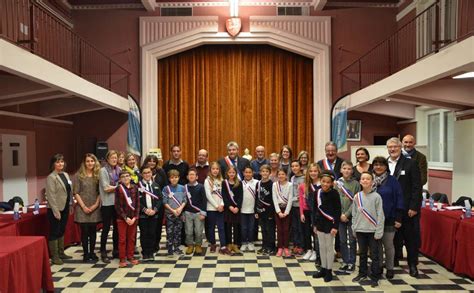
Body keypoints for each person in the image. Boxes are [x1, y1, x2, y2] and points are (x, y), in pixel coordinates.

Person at [387, 137, 422, 277]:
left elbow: (417, 187)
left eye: (395, 146)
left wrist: (414, 207)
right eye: (390, 147)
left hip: (408, 209)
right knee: (393, 237)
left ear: (400, 147)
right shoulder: (383, 163)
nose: (392, 149)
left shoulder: (411, 164)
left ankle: (413, 265)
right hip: (390, 209)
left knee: (410, 239)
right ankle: (393, 261)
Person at [371, 156, 404, 280]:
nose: (378, 167)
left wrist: (399, 218)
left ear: (386, 167)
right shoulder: (369, 180)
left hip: (389, 218)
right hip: (373, 219)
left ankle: (390, 268)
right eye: (376, 164)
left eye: (381, 164)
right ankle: (378, 266)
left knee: (388, 245)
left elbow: (400, 199)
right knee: (376, 245)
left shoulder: (393, 181)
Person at [351, 172, 385, 288]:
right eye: (363, 179)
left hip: (372, 231)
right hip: (360, 230)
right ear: (360, 181)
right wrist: (354, 228)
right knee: (362, 253)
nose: (365, 181)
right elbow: (354, 214)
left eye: (368, 179)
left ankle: (375, 277)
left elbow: (380, 215)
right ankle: (362, 273)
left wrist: (379, 231)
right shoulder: (357, 196)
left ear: (372, 182)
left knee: (374, 255)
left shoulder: (376, 197)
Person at [312, 171, 341, 282]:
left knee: (329, 248)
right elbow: (314, 209)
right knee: (321, 247)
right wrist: (314, 224)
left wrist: (335, 226)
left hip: (330, 224)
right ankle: (323, 268)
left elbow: (338, 211)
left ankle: (329, 270)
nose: (325, 184)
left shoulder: (334, 194)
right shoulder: (317, 192)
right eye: (323, 181)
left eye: (328, 182)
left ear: (332, 183)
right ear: (320, 181)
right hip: (320, 223)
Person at [73, 153, 102, 263]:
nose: (90, 163)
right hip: (82, 208)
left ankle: (92, 252)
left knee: (93, 232)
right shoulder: (78, 175)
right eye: (88, 161)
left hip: (95, 206)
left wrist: (95, 205)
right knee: (84, 232)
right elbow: (76, 192)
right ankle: (85, 254)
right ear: (84, 163)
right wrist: (84, 206)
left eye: (92, 161)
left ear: (95, 162)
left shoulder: (98, 175)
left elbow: (100, 192)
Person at [46, 154, 73, 265]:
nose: (60, 164)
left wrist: (71, 204)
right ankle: (55, 256)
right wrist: (56, 211)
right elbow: (51, 195)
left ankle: (61, 252)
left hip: (65, 206)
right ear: (53, 164)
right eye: (57, 162)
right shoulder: (51, 177)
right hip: (55, 209)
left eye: (61, 161)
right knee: (55, 231)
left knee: (62, 229)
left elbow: (69, 191)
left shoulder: (65, 175)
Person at [335, 161, 360, 273]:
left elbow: (356, 202)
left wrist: (347, 214)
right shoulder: (336, 184)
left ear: (352, 171)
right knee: (343, 240)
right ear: (341, 170)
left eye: (349, 169)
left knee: (352, 240)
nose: (347, 171)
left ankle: (352, 262)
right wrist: (340, 214)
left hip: (352, 216)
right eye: (344, 168)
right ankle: (345, 261)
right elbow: (334, 201)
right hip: (340, 217)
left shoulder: (356, 184)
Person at [142, 154, 167, 253]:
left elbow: (165, 186)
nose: (152, 163)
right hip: (145, 205)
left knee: (158, 226)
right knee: (146, 228)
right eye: (150, 161)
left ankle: (156, 243)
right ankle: (146, 247)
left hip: (158, 205)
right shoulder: (142, 172)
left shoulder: (161, 172)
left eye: (154, 161)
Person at [205, 162, 231, 255]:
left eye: (217, 169)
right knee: (211, 227)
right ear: (210, 170)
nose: (215, 170)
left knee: (221, 227)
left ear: (219, 170)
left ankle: (223, 246)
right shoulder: (207, 181)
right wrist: (216, 206)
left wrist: (222, 205)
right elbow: (208, 195)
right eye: (213, 169)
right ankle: (212, 243)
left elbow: (224, 194)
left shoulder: (222, 180)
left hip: (221, 208)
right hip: (211, 208)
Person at [115, 171, 140, 268]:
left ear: (130, 177)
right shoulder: (119, 189)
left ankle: (130, 256)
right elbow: (117, 206)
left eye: (127, 176)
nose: (125, 178)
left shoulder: (135, 188)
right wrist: (125, 218)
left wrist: (134, 217)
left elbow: (137, 203)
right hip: (122, 219)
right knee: (122, 239)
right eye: (123, 176)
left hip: (133, 218)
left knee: (132, 238)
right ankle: (122, 258)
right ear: (120, 179)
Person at [99, 150, 121, 263]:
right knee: (106, 228)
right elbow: (106, 188)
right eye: (112, 157)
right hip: (107, 203)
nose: (114, 159)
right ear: (107, 159)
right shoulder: (103, 171)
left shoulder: (119, 170)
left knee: (117, 228)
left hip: (117, 203)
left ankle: (116, 250)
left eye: (115, 157)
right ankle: (103, 251)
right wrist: (118, 185)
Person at [138, 166, 163, 262]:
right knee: (144, 233)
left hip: (154, 214)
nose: (147, 174)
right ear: (141, 174)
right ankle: (145, 252)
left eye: (149, 172)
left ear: (151, 173)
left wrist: (155, 210)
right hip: (143, 215)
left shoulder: (156, 185)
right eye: (145, 173)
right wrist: (144, 209)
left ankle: (151, 252)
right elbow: (137, 201)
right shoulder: (139, 186)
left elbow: (160, 199)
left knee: (152, 233)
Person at [299, 163, 321, 262]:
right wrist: (301, 213)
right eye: (311, 171)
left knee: (315, 232)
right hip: (306, 212)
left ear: (319, 172)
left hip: (317, 213)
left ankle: (316, 251)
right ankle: (309, 249)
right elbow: (301, 200)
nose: (313, 173)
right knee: (306, 232)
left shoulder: (321, 184)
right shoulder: (305, 185)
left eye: (315, 171)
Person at [163, 169, 187, 256]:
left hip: (179, 214)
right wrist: (173, 211)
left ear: (179, 178)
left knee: (178, 231)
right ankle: (170, 249)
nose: (174, 179)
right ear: (169, 178)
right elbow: (164, 202)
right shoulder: (166, 189)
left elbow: (185, 200)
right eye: (172, 178)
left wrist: (180, 208)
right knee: (170, 232)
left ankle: (177, 248)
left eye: (176, 177)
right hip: (170, 214)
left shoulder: (182, 188)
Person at [184, 168, 207, 255]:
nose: (191, 176)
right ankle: (190, 245)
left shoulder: (201, 187)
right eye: (190, 174)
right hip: (187, 213)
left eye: (193, 174)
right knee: (188, 231)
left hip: (198, 213)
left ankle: (198, 245)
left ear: (196, 177)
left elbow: (204, 200)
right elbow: (183, 201)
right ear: (187, 177)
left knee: (198, 231)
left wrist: (203, 213)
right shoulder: (185, 187)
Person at [222, 166, 243, 254]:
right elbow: (224, 196)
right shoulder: (224, 183)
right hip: (228, 209)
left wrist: (237, 207)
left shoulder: (239, 183)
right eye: (230, 172)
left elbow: (241, 196)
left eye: (233, 173)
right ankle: (229, 244)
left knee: (237, 227)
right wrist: (230, 207)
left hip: (237, 209)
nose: (231, 174)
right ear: (227, 173)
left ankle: (236, 244)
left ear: (236, 173)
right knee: (228, 226)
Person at [255, 164, 276, 255]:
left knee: (270, 229)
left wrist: (272, 213)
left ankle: (271, 247)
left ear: (270, 173)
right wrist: (256, 211)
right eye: (263, 171)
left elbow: (273, 199)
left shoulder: (272, 184)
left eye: (266, 171)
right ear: (260, 173)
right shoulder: (258, 184)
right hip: (261, 210)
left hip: (269, 211)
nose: (264, 173)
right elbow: (256, 197)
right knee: (263, 229)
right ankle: (264, 246)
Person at [273, 168, 293, 257]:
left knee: (286, 229)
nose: (281, 176)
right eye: (279, 174)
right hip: (278, 210)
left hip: (287, 210)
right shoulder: (275, 185)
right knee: (279, 229)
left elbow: (290, 199)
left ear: (286, 175)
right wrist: (278, 212)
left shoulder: (290, 185)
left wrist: (286, 212)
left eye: (283, 174)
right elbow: (274, 198)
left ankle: (286, 247)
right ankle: (280, 247)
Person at [290, 160, 305, 256]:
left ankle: (301, 246)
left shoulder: (304, 178)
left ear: (300, 167)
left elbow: (303, 194)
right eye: (292, 166)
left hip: (301, 207)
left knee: (301, 227)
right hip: (293, 206)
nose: (294, 168)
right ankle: (295, 245)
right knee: (294, 227)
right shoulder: (292, 178)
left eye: (296, 166)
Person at [240, 166, 257, 252]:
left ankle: (250, 242)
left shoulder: (257, 182)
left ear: (253, 173)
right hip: (242, 209)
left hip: (253, 210)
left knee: (251, 227)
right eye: (246, 172)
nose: (248, 174)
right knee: (243, 227)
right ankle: (243, 242)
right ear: (243, 173)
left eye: (250, 172)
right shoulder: (240, 183)